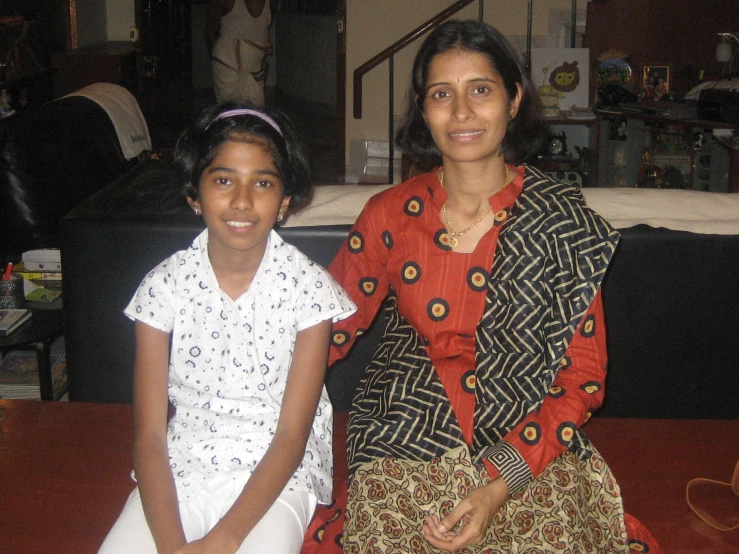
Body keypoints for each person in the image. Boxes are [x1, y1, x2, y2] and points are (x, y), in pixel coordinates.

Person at [318, 20, 662, 554]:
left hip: (527, 431)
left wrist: (498, 486)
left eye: (480, 90)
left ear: (514, 98)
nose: (461, 113)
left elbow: (583, 378)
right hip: (406, 420)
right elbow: (325, 330)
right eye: (441, 94)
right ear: (422, 107)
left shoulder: (559, 222)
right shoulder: (389, 215)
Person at [98, 103, 356, 554]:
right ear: (194, 195)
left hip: (278, 475)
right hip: (183, 464)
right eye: (222, 180)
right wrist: (172, 544)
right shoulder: (163, 287)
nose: (241, 200)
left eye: (262, 182)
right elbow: (150, 436)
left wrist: (222, 539)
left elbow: (292, 435)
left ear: (285, 201)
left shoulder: (310, 290)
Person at [206, 0, 276, 105]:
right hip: (226, 64)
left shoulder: (271, 2)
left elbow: (261, 31)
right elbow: (209, 32)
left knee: (256, 111)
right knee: (232, 109)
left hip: (254, 68)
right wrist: (218, 62)